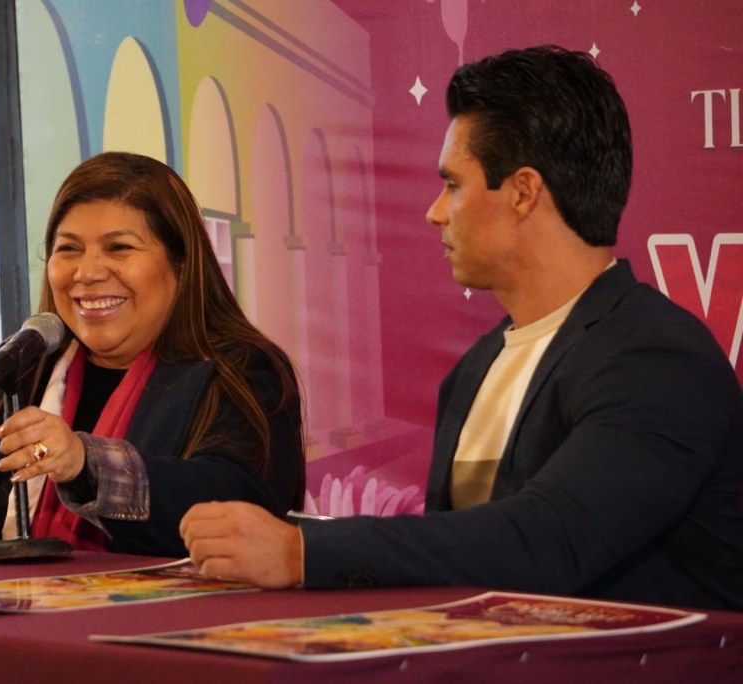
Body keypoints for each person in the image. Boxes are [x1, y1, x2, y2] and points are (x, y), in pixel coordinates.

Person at [180, 46, 743, 611]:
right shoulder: (476, 365)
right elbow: (457, 561)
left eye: (452, 184)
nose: (435, 212)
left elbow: (552, 540)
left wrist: (304, 552)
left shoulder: (656, 357)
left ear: (523, 192)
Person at [0, 151, 306, 557]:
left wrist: (86, 463)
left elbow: (239, 503)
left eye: (119, 248)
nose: (88, 272)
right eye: (69, 249)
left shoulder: (240, 370)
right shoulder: (24, 365)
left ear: (181, 263)